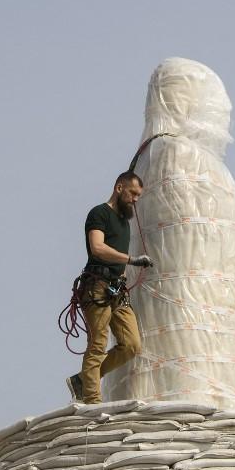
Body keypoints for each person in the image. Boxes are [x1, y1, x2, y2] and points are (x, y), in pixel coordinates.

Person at [66, 171, 154, 404]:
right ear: (119, 188)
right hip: (97, 288)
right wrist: (131, 259)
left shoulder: (125, 224)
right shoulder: (99, 213)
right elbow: (97, 248)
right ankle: (92, 402)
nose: (135, 200)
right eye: (133, 193)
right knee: (97, 344)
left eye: (138, 196)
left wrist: (124, 278)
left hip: (117, 291)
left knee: (132, 344)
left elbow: (117, 258)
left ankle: (83, 380)